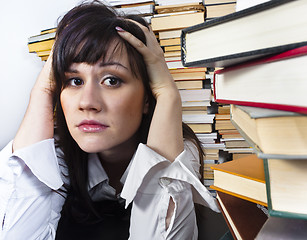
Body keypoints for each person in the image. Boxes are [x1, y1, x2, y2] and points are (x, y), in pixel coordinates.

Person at [0, 2, 219, 239]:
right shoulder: (56, 150)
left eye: (112, 80)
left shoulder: (176, 148)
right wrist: (42, 91)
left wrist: (167, 93)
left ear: (147, 97)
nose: (87, 102)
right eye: (74, 80)